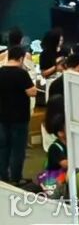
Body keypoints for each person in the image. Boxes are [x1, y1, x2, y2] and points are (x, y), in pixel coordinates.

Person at [0, 44, 35, 184]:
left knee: (3, 148)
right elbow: (31, 92)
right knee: (18, 149)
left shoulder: (0, 71)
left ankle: (3, 176)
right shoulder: (21, 73)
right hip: (19, 118)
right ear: (21, 58)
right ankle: (16, 178)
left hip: (2, 116)